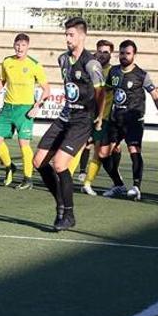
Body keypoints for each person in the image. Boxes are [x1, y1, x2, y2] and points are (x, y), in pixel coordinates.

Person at [33, 17, 104, 231]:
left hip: (82, 120)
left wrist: (99, 117)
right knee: (38, 162)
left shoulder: (91, 63)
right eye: (66, 34)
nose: (67, 38)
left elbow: (101, 92)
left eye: (71, 34)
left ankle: (68, 214)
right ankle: (61, 203)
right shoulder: (63, 59)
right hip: (65, 116)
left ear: (82, 36)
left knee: (60, 164)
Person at [99, 40, 158, 201]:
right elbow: (106, 93)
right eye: (122, 53)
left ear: (134, 55)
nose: (124, 56)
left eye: (128, 53)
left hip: (133, 120)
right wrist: (100, 115)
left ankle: (136, 187)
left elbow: (155, 95)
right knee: (103, 153)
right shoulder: (114, 72)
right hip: (115, 119)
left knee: (134, 150)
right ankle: (118, 184)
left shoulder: (141, 75)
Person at [0, 33, 51, 190]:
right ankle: (9, 166)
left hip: (25, 109)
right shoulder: (7, 62)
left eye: (23, 45)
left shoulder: (34, 65)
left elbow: (46, 90)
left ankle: (28, 178)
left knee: (23, 143)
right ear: (14, 45)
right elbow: (2, 80)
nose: (20, 48)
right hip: (7, 108)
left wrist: (37, 106)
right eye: (17, 45)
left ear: (28, 47)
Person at [74, 40, 122, 194]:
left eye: (106, 52)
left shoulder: (114, 72)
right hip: (86, 115)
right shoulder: (90, 67)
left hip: (104, 118)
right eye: (100, 51)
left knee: (100, 151)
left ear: (111, 54)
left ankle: (88, 183)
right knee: (78, 146)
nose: (102, 54)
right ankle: (70, 176)